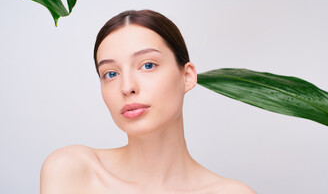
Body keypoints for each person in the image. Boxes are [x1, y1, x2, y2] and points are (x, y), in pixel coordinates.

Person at [40, 10, 256, 193]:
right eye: (111, 74)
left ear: (187, 76)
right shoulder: (72, 171)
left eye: (148, 65)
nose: (127, 87)